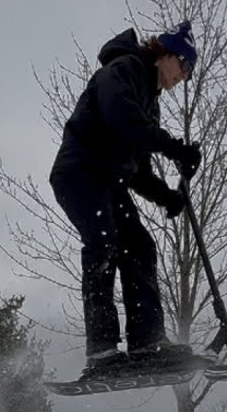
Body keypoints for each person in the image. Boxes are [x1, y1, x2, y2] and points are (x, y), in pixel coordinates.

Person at [49, 21, 204, 380]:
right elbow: (122, 119)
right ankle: (102, 351)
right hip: (80, 173)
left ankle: (147, 343)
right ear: (165, 54)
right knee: (104, 241)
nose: (184, 76)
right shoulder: (124, 69)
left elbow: (137, 170)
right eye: (184, 65)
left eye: (189, 71)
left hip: (109, 181)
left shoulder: (150, 102)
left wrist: (168, 197)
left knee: (139, 245)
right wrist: (174, 148)